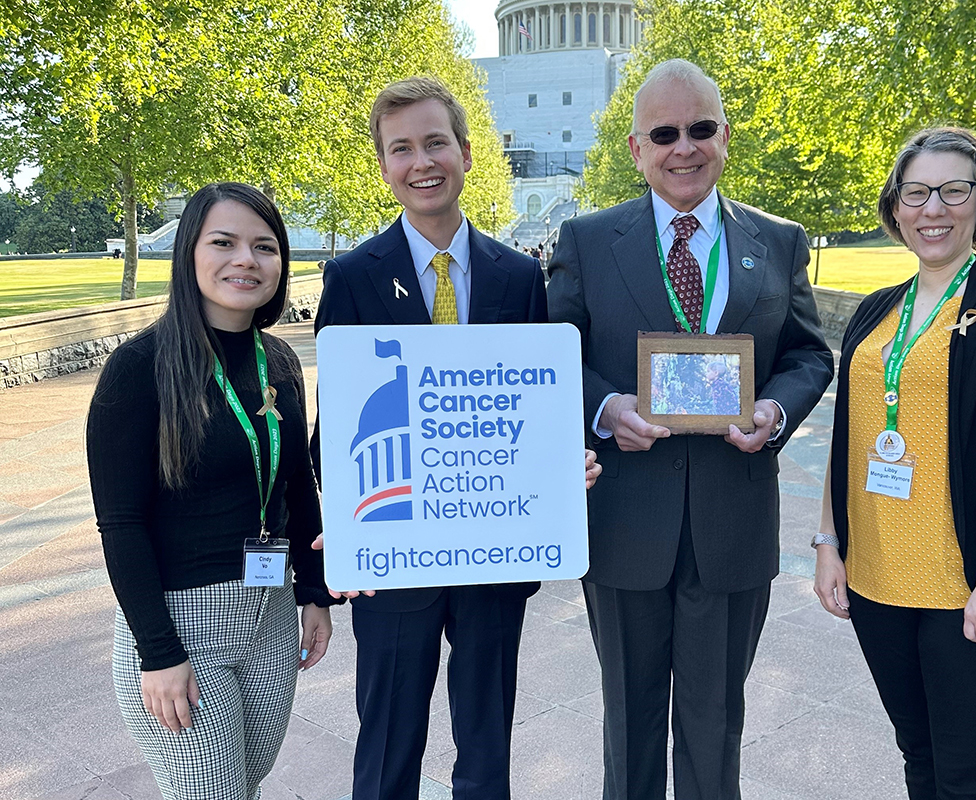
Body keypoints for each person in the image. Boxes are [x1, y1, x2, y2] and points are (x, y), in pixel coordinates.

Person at [547, 58, 834, 800]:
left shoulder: (778, 241)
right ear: (637, 148)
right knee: (629, 722)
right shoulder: (584, 240)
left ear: (724, 137)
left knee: (716, 727)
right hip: (622, 525)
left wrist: (773, 413)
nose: (685, 147)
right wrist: (605, 410)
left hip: (730, 523)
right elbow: (550, 357)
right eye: (664, 133)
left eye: (700, 129)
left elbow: (807, 354)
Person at [309, 76, 594, 800]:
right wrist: (343, 521)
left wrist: (561, 464)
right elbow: (333, 431)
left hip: (494, 556)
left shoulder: (518, 277)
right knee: (386, 749)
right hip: (395, 554)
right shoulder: (349, 278)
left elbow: (534, 412)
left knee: (487, 745)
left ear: (467, 153)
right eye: (401, 148)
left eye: (435, 142)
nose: (421, 161)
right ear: (383, 166)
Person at [813, 127, 976, 800]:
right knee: (923, 760)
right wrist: (827, 542)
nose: (933, 208)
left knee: (972, 778)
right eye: (916, 192)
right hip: (879, 585)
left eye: (953, 190)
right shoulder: (875, 314)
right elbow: (853, 438)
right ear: (895, 207)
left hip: (974, 588)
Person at [87, 182, 337, 800]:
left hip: (272, 612)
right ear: (188, 254)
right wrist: (158, 652)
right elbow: (120, 524)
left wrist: (313, 592)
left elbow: (298, 487)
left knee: (242, 785)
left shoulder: (277, 362)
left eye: (265, 246)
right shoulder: (138, 368)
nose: (245, 260)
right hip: (183, 624)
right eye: (223, 243)